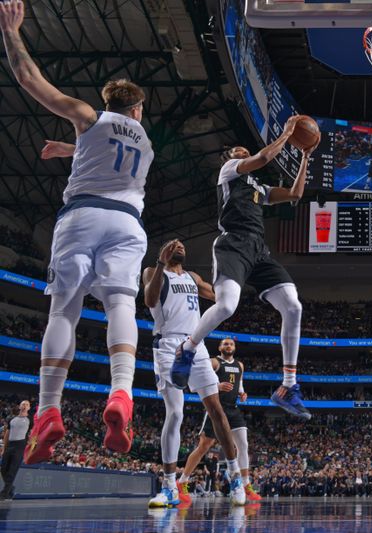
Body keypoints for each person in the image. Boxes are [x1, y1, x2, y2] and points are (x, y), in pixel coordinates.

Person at [1, 1, 153, 464]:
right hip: (127, 224)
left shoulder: (89, 115)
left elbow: (29, 80)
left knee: (63, 311)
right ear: (138, 110)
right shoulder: (146, 144)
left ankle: (48, 412)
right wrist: (72, 149)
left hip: (82, 217)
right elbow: (107, 155)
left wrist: (10, 31)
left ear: (110, 103)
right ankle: (121, 395)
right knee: (120, 304)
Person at [172, 116, 318, 421]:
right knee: (226, 306)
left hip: (258, 250)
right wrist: (287, 132)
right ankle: (186, 349)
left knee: (293, 306)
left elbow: (294, 195)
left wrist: (305, 156)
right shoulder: (228, 173)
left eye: (243, 151)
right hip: (232, 244)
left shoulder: (258, 188)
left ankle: (288, 387)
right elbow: (264, 156)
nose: (242, 152)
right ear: (230, 158)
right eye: (238, 150)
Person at [143, 240, 246, 507]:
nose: (180, 246)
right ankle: (169, 487)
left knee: (216, 410)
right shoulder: (153, 272)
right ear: (165, 251)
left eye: (183, 245)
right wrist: (159, 263)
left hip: (195, 344)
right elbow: (149, 300)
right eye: (174, 244)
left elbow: (219, 298)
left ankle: (235, 476)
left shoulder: (192, 277)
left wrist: (233, 274)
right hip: (166, 345)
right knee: (175, 412)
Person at [178, 338, 261, 504]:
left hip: (233, 408)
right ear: (220, 347)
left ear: (235, 348)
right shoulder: (214, 362)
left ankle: (245, 485)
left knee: (243, 445)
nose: (228, 346)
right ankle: (182, 482)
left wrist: (242, 392)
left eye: (231, 344)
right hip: (215, 408)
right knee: (204, 447)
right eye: (225, 343)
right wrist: (217, 386)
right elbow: (200, 379)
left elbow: (240, 382)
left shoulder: (240, 365)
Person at [0, 401, 30, 499]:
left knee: (12, 470)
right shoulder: (12, 419)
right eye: (23, 404)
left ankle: (4, 493)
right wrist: (4, 448)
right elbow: (7, 434)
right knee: (3, 469)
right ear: (19, 406)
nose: (24, 406)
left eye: (27, 404)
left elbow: (34, 434)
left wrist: (30, 449)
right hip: (10, 445)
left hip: (20, 445)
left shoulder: (30, 419)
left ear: (29, 407)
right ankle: (10, 488)